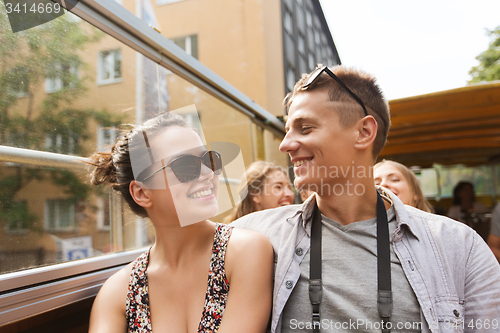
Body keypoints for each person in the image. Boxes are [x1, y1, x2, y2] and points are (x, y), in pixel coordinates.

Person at [231, 65, 500, 333]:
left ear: (364, 133)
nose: (285, 144)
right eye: (288, 130)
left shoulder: (460, 247)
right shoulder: (252, 236)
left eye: (305, 128)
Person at [87, 112, 273, 333]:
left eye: (209, 160)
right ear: (142, 193)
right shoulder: (117, 292)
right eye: (185, 166)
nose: (207, 173)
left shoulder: (245, 251)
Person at [226, 161, 294, 222]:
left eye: (289, 188)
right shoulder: (235, 233)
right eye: (278, 187)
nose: (289, 193)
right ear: (255, 194)